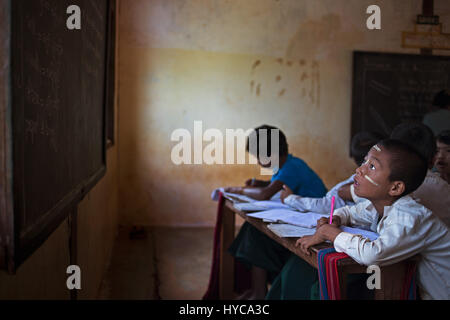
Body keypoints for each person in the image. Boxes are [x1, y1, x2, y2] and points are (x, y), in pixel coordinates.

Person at [270, 139, 450, 300]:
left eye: (372, 167)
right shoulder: (379, 205)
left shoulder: (410, 217)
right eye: (364, 162)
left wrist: (330, 232)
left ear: (395, 188)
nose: (359, 170)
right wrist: (336, 219)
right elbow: (350, 212)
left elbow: (373, 254)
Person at [225, 124, 327, 300]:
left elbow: (266, 194)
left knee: (255, 234)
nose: (257, 161)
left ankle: (259, 293)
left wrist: (239, 190)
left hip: (314, 223)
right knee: (252, 230)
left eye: (258, 156)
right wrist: (260, 183)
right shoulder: (285, 165)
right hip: (301, 218)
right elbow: (275, 185)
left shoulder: (292, 167)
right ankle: (258, 291)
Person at [281, 131, 383, 214]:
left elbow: (328, 205)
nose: (359, 170)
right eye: (364, 162)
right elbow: (356, 215)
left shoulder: (292, 165)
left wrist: (290, 199)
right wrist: (341, 217)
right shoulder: (359, 182)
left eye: (371, 165)